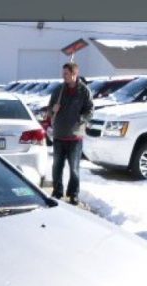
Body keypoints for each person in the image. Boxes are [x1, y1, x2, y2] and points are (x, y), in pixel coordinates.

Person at [48, 62, 94, 204]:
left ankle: (73, 194)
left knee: (74, 168)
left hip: (75, 136)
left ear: (74, 74)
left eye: (66, 74)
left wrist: (80, 118)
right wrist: (52, 110)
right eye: (63, 73)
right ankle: (57, 192)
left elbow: (90, 111)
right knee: (57, 166)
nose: (64, 76)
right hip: (59, 135)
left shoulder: (84, 91)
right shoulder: (59, 91)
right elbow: (49, 110)